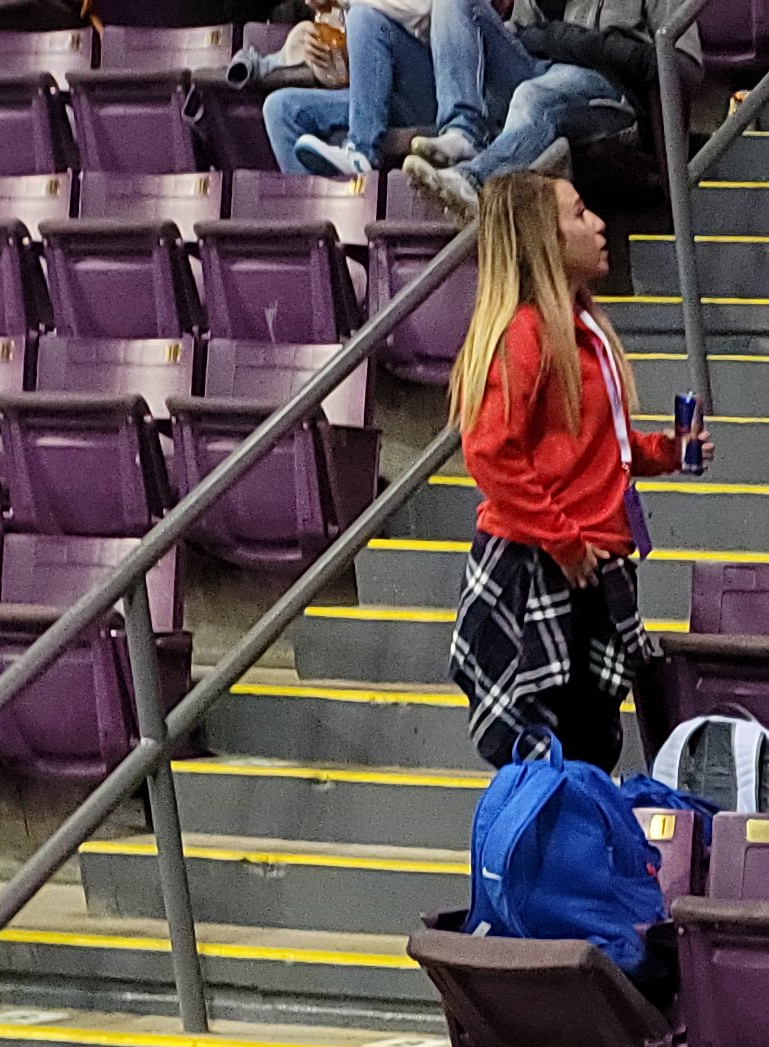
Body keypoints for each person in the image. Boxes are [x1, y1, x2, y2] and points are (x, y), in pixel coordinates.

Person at [448, 172, 696, 772]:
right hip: (546, 564)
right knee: (549, 749)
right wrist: (561, 538)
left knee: (590, 744)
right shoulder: (524, 332)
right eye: (580, 213)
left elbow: (592, 447)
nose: (599, 224)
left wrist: (663, 451)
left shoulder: (582, 327)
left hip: (592, 561)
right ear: (543, 239)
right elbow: (489, 450)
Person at [394, 0, 701, 214]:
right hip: (544, 67)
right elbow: (519, 34)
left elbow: (684, 65)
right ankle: (462, 132)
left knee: (533, 95)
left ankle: (474, 180)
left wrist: (597, 48)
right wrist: (555, 36)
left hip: (611, 89)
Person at [272, 0, 444, 179]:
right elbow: (347, 77)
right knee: (279, 108)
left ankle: (362, 150)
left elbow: (422, 8)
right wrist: (327, 61)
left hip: (430, 92)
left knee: (362, 16)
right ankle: (314, 196)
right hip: (375, 101)